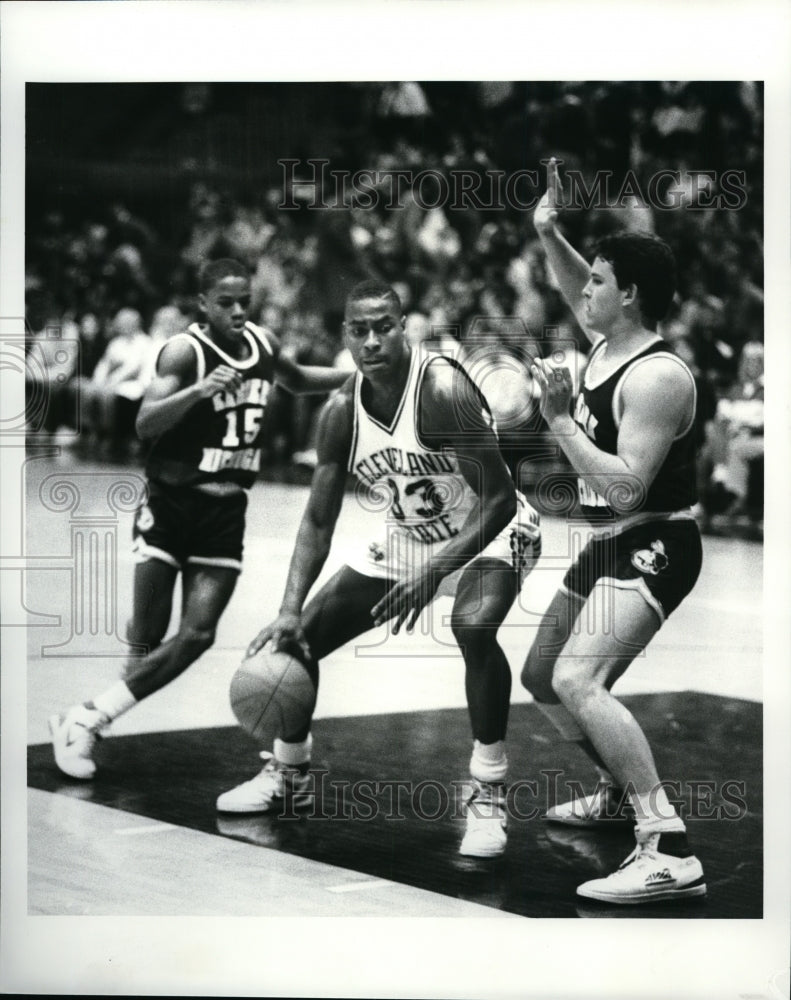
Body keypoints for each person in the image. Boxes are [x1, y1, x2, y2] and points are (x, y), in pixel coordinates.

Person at [216, 279, 542, 859]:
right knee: (299, 640)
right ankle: (289, 774)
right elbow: (318, 520)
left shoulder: (440, 389)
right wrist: (289, 607)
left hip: (493, 530)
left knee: (473, 627)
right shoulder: (342, 411)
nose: (371, 341)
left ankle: (488, 792)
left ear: (404, 326)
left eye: (382, 326)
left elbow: (497, 499)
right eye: (359, 330)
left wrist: (437, 568)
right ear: (345, 336)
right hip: (409, 539)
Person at [50, 258, 349, 780]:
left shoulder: (263, 344)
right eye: (226, 302)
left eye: (244, 301)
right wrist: (199, 391)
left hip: (225, 512)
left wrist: (363, 376)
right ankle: (117, 691)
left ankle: (83, 720)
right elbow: (145, 422)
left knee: (198, 634)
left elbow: (298, 380)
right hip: (171, 504)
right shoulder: (184, 351)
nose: (237, 311)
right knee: (146, 635)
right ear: (204, 305)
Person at [521, 160, 706, 903]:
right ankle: (615, 791)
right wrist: (547, 229)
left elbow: (624, 484)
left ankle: (667, 845)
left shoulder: (658, 376)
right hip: (611, 540)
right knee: (541, 677)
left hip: (657, 540)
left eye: (597, 281)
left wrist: (561, 422)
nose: (581, 291)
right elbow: (568, 282)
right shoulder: (607, 341)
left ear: (627, 294)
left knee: (577, 679)